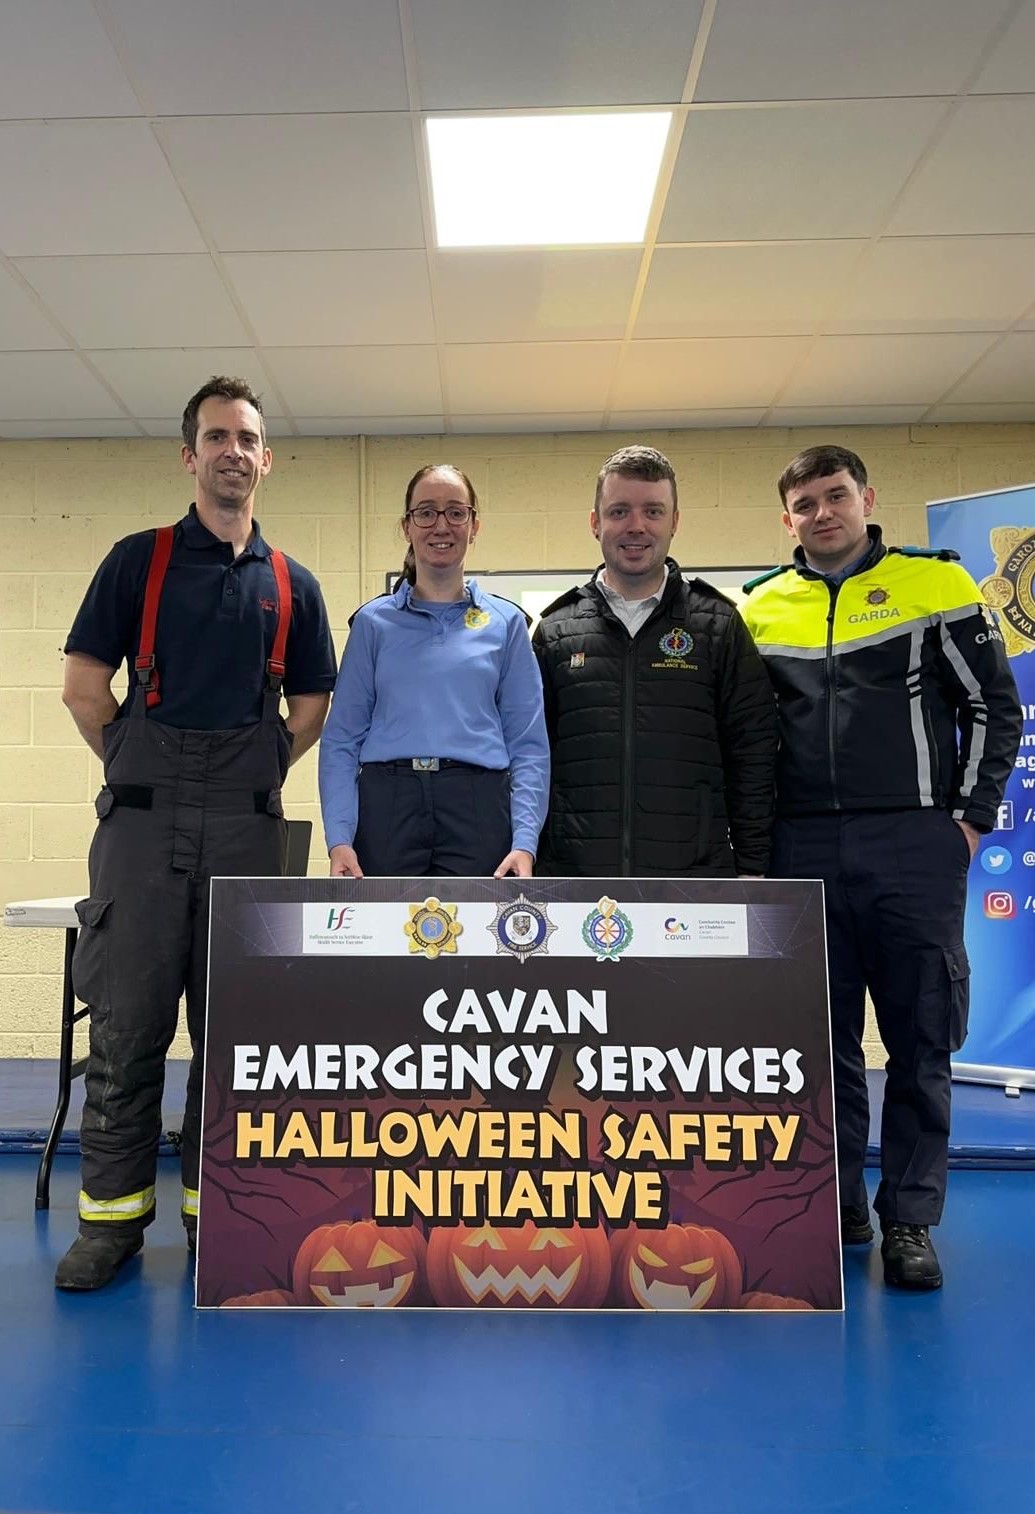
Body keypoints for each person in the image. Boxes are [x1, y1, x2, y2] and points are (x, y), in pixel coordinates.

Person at [56, 376, 337, 1290]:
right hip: (142, 828)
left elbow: (311, 706)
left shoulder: (294, 584)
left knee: (236, 1040)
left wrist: (249, 775)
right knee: (127, 1032)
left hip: (247, 831)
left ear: (266, 457)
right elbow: (85, 689)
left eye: (247, 437)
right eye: (215, 436)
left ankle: (218, 1220)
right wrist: (139, 766)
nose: (232, 450)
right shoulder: (136, 562)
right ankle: (110, 1228)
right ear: (190, 455)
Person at [742, 444, 1022, 1291]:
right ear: (785, 518)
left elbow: (990, 706)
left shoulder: (935, 584)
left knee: (917, 1040)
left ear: (865, 498)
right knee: (817, 1047)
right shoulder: (759, 607)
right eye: (804, 503)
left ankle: (908, 1219)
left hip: (912, 843)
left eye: (835, 496)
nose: (821, 513)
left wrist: (967, 823)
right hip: (800, 849)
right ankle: (838, 1209)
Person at [533, 445, 777, 877]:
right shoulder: (556, 631)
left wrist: (753, 866)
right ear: (595, 523)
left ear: (674, 522)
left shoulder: (717, 624)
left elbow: (753, 750)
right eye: (619, 511)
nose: (636, 526)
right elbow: (531, 759)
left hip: (693, 879)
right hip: (575, 879)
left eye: (653, 511)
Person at [319, 464, 549, 879]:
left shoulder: (507, 624)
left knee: (478, 940)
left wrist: (524, 842)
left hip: (477, 805)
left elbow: (529, 745)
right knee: (386, 940)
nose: (440, 525)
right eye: (425, 512)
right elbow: (340, 740)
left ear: (474, 525)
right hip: (388, 804)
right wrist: (339, 839)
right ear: (407, 526)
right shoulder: (373, 624)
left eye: (455, 512)